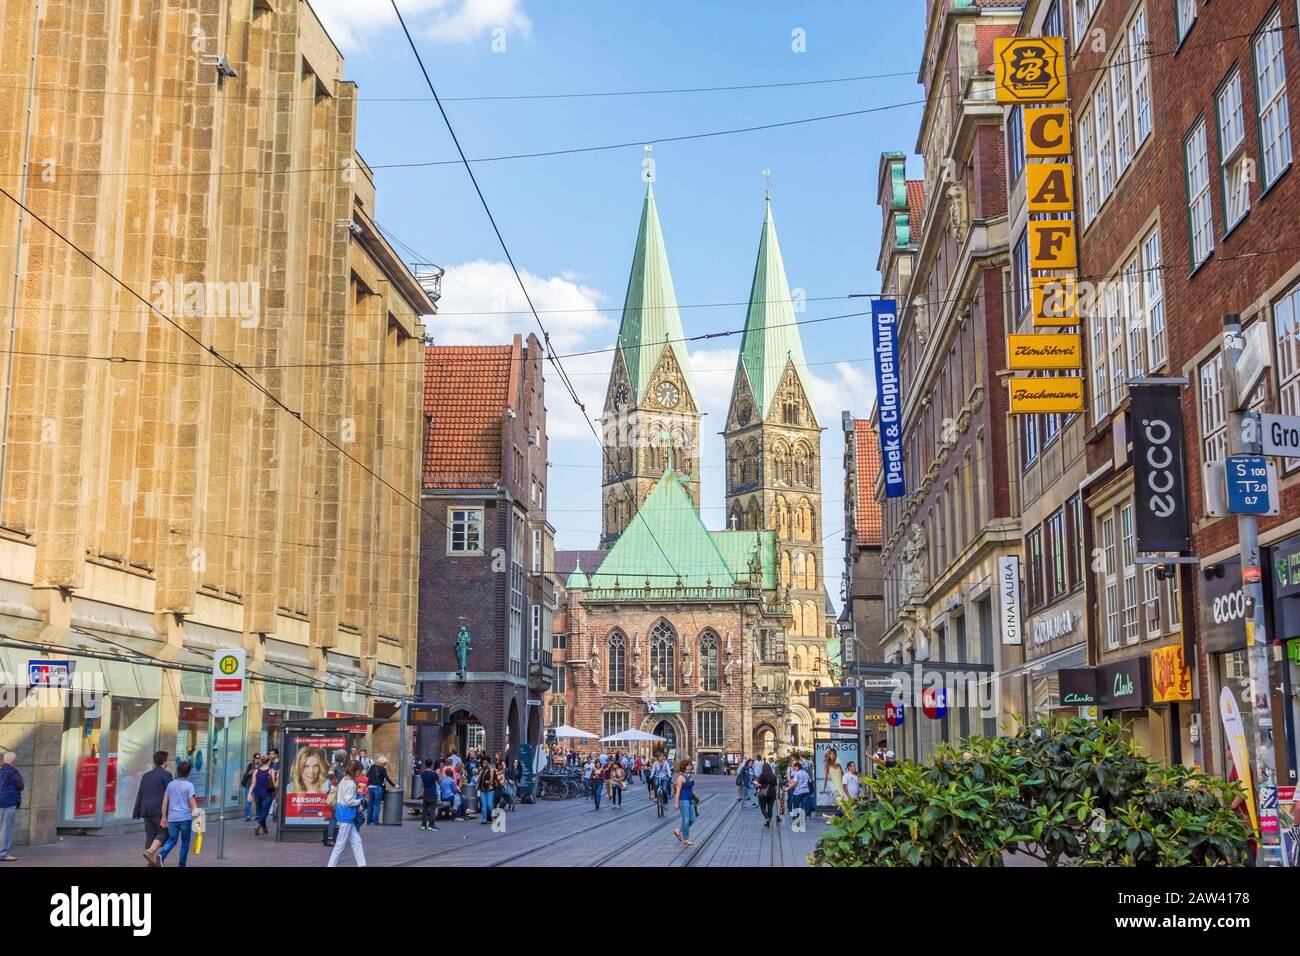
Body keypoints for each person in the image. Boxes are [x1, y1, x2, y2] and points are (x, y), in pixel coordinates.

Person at [149, 760, 198, 867]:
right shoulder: (189, 785)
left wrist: (163, 817)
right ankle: (181, 864)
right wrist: (198, 817)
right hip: (185, 818)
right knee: (185, 842)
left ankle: (161, 855)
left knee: (172, 840)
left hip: (172, 818)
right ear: (188, 772)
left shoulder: (170, 784)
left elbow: (165, 802)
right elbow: (192, 804)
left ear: (177, 771)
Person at [133, 750, 172, 863]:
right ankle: (150, 851)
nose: (168, 762)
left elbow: (141, 793)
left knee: (150, 834)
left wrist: (138, 809)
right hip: (159, 809)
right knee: (164, 834)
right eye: (167, 760)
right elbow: (170, 794)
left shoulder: (146, 776)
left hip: (146, 809)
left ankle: (150, 862)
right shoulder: (166, 775)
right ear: (164, 761)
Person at [327, 761, 367, 867]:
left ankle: (362, 864)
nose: (360, 774)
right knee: (340, 844)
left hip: (343, 815)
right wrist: (360, 801)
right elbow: (349, 801)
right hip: (347, 816)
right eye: (359, 771)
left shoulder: (343, 780)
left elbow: (343, 798)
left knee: (356, 841)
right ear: (356, 770)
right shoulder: (351, 784)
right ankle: (331, 865)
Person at [0, 752, 24, 862]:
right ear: (14, 762)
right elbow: (20, 785)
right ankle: (3, 853)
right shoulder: (12, 772)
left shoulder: (1, 771)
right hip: (7, 803)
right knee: (5, 829)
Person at [672, 759, 696, 847]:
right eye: (689, 765)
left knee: (692, 819)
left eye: (691, 765)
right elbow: (678, 791)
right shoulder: (681, 777)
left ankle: (678, 830)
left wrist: (693, 793)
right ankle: (686, 839)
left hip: (690, 799)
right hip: (683, 800)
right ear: (684, 766)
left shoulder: (690, 776)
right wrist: (676, 803)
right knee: (685, 819)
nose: (690, 767)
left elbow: (690, 787)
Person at [250, 757, 275, 835]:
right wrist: (276, 794)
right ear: (269, 762)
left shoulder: (256, 771)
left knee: (260, 812)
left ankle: (264, 828)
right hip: (267, 793)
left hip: (257, 793)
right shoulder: (271, 770)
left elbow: (253, 783)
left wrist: (249, 794)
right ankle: (258, 824)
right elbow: (273, 784)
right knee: (265, 812)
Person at [366, 755, 391, 825]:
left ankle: (368, 821)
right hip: (378, 787)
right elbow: (387, 778)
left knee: (370, 804)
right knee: (377, 804)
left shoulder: (372, 766)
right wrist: (394, 785)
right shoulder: (383, 768)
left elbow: (367, 775)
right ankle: (375, 821)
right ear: (383, 762)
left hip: (370, 787)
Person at [754, 756, 778, 829]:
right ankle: (768, 822)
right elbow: (775, 784)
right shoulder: (773, 776)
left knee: (763, 807)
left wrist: (755, 783)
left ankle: (767, 819)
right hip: (772, 793)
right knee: (770, 807)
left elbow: (759, 784)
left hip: (764, 793)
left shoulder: (762, 775)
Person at [418, 759, 441, 830]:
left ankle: (423, 824)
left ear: (425, 764)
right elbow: (439, 782)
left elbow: (421, 783)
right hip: (433, 793)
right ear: (431, 765)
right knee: (432, 809)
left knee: (424, 809)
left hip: (425, 792)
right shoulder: (434, 774)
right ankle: (431, 824)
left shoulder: (423, 773)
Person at [241, 752, 262, 821]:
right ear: (254, 758)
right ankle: (248, 816)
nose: (258, 759)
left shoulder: (261, 766)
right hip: (249, 784)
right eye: (256, 758)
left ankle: (258, 815)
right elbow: (245, 775)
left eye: (259, 758)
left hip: (258, 785)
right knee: (248, 800)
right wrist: (250, 772)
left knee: (257, 801)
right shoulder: (250, 765)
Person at [478, 759, 498, 825]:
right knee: (484, 805)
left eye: (485, 763)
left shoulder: (492, 771)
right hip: (482, 789)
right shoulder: (481, 771)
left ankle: (493, 818)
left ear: (488, 764)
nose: (484, 764)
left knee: (490, 805)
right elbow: (479, 780)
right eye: (483, 763)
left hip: (490, 790)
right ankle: (484, 819)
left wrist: (490, 782)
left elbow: (495, 781)